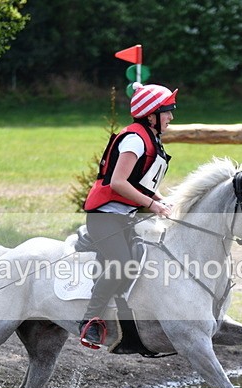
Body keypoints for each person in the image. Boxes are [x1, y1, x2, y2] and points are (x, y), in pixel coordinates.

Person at [79, 82, 178, 348]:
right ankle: (89, 320)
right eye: (167, 111)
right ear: (151, 115)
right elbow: (118, 183)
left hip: (124, 217)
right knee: (122, 263)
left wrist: (161, 199)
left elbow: (141, 184)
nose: (171, 116)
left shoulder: (150, 137)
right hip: (104, 216)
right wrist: (153, 205)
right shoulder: (135, 139)